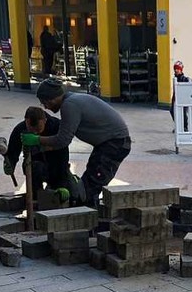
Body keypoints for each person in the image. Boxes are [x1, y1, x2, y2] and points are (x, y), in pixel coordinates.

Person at [24, 77, 131, 208]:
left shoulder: (69, 105)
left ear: (52, 98)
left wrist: (37, 140)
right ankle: (90, 217)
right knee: (87, 187)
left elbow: (62, 140)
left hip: (115, 143)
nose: (45, 107)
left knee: (89, 188)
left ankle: (91, 223)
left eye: (44, 102)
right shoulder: (72, 100)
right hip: (109, 143)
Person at [5, 106, 75, 199]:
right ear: (26, 121)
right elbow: (13, 151)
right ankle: (35, 197)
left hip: (56, 167)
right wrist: (10, 164)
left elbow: (63, 156)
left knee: (69, 195)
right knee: (36, 169)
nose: (35, 133)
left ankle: (57, 187)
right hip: (34, 168)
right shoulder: (20, 129)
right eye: (31, 129)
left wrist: (62, 183)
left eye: (38, 129)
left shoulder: (56, 126)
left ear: (44, 120)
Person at [170, 60, 192, 132]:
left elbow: (191, 83)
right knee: (172, 111)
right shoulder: (175, 78)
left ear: (181, 69)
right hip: (175, 97)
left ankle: (185, 127)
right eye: (175, 68)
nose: (176, 70)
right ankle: (179, 125)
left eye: (178, 68)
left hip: (183, 98)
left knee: (183, 113)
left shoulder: (183, 78)